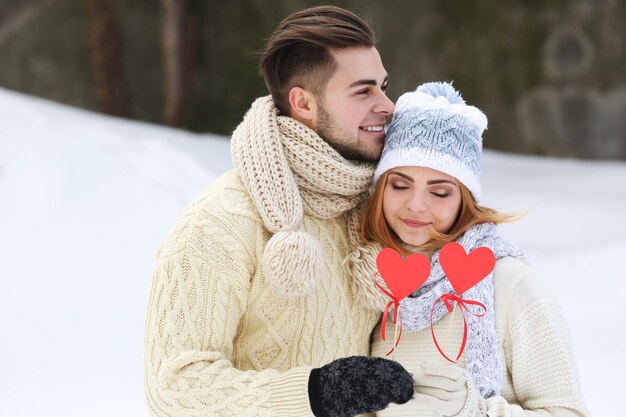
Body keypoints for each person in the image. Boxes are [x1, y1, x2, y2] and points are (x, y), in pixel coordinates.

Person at [144, 6, 415, 417]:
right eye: (363, 91)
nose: (388, 105)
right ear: (303, 103)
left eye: (383, 86)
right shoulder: (221, 220)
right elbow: (174, 385)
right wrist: (316, 392)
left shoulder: (371, 211)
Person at [345, 82, 591, 417]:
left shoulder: (507, 281)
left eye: (440, 192)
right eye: (400, 185)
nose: (416, 205)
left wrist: (476, 411)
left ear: (464, 198)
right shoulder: (368, 278)